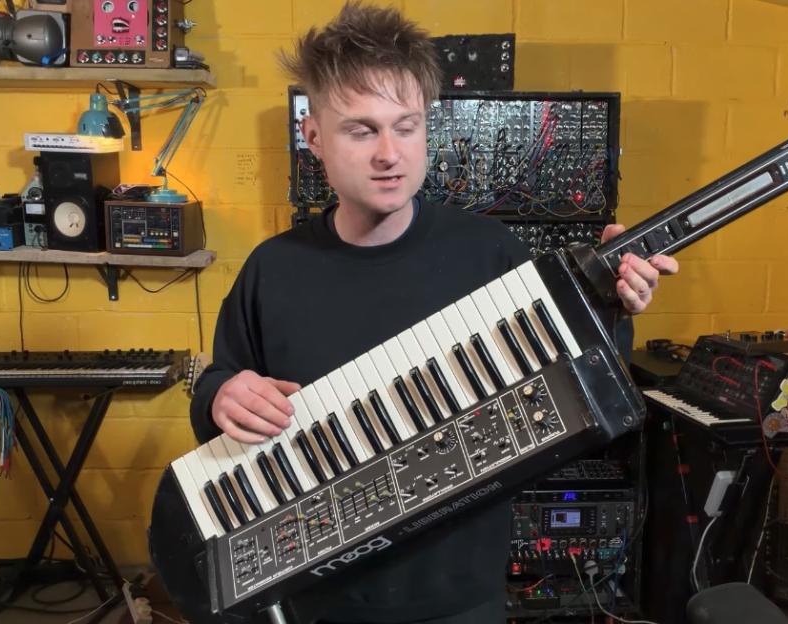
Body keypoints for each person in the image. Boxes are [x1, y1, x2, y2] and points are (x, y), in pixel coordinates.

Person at [189, 3, 679, 622]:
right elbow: (217, 399)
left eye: (407, 126)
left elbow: (580, 384)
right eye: (361, 130)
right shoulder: (271, 269)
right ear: (313, 137)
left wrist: (615, 304)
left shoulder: (491, 253)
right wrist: (219, 397)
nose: (389, 153)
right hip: (319, 596)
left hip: (459, 591)